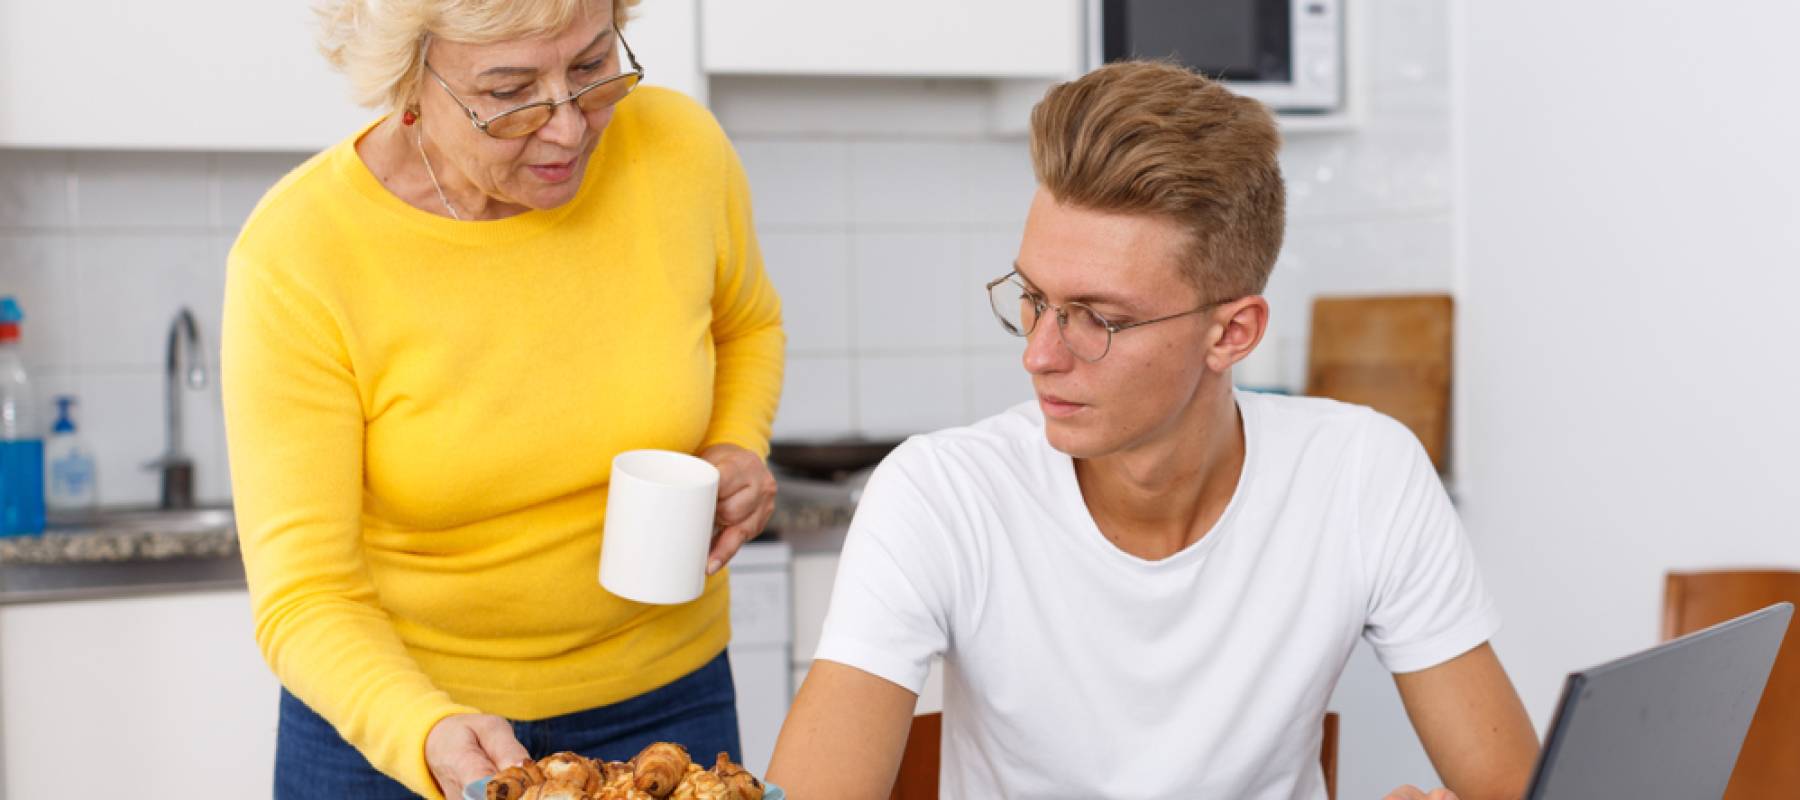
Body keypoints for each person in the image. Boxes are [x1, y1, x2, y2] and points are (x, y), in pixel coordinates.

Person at [765, 61, 1538, 800]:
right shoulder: (940, 494)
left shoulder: (1363, 472)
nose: (1039, 353)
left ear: (1232, 334)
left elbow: (1509, 785)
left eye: (1099, 319)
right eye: (1034, 297)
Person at [220, 0, 783, 797]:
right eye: (512, 90)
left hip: (667, 706)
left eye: (591, 68)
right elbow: (305, 594)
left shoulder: (680, 149)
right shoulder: (300, 255)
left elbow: (748, 322)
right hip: (398, 728)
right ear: (410, 77)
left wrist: (736, 443)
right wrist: (423, 729)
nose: (567, 128)